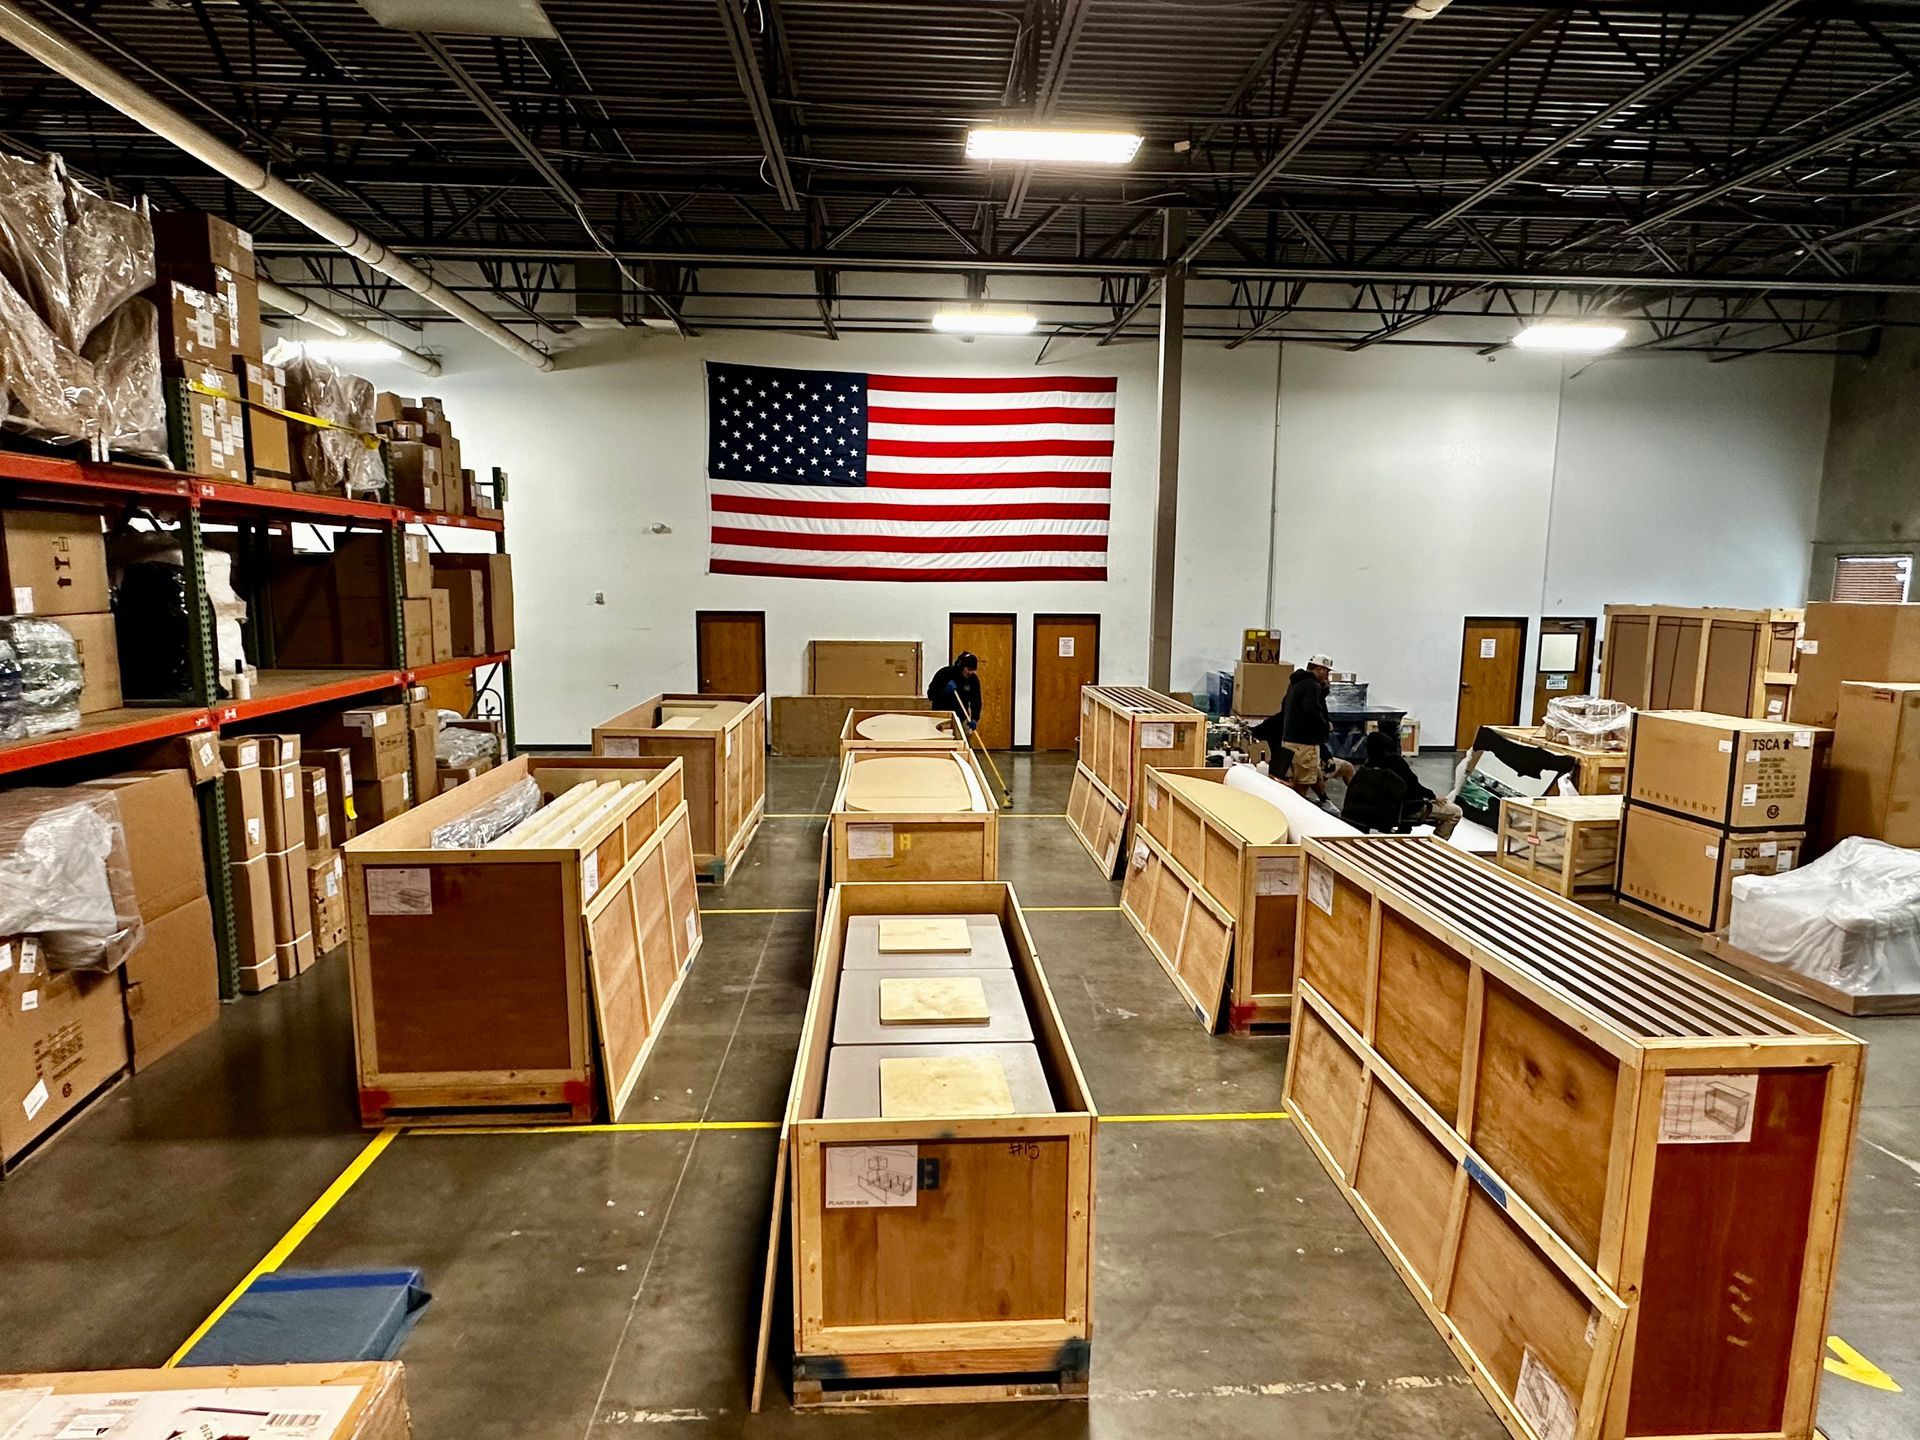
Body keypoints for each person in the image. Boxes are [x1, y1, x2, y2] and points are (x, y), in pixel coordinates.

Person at [1251, 652, 1354, 802]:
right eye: (1326, 672)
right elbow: (1312, 712)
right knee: (1302, 787)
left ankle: (1324, 801)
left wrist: (1323, 690)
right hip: (1305, 744)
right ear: (1319, 669)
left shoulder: (1296, 683)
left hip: (1291, 743)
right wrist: (1325, 726)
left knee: (1313, 775)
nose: (1327, 677)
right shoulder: (1312, 686)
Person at [1346, 728, 1463, 839]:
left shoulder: (1368, 765)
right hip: (1403, 809)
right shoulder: (1395, 762)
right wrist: (1432, 796)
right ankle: (1438, 846)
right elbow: (1413, 788)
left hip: (1377, 809)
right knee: (1455, 812)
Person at [927, 651, 982, 732]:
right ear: (961, 666)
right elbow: (931, 695)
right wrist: (945, 691)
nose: (971, 672)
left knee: (966, 739)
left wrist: (974, 718)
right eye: (969, 669)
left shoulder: (973, 680)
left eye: (973, 670)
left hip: (962, 718)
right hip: (941, 718)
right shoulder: (944, 674)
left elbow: (976, 701)